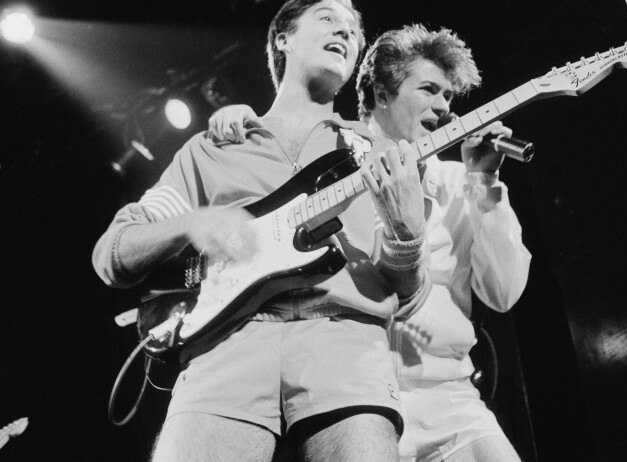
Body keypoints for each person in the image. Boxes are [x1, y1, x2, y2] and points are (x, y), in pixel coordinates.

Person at [92, 0, 433, 462]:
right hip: (224, 350)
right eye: (328, 18)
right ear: (283, 40)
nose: (346, 31)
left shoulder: (379, 155)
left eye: (355, 31)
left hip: (344, 346)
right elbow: (114, 254)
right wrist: (192, 222)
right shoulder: (212, 149)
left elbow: (411, 296)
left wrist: (407, 237)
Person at [210, 24, 531, 461]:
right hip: (349, 401)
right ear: (382, 94)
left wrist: (485, 182)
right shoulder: (325, 165)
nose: (443, 108)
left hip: (448, 400)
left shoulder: (462, 183)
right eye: (429, 90)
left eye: (449, 97)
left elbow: (504, 293)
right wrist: (239, 121)